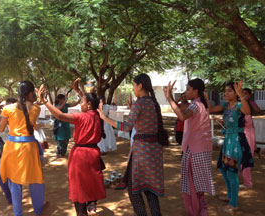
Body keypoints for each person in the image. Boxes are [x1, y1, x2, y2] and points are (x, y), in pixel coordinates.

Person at [98, 73, 169, 216]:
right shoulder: (153, 103)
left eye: (134, 85)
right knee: (150, 191)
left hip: (142, 152)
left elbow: (126, 127)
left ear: (140, 86)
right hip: (154, 151)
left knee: (134, 189)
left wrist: (104, 117)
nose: (133, 88)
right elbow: (144, 122)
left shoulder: (140, 103)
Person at [37, 78, 106, 216]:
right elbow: (91, 100)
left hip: (80, 155)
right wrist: (78, 90)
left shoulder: (81, 117)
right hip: (93, 154)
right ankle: (92, 206)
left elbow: (60, 115)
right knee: (91, 181)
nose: (80, 103)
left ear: (88, 105)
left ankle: (81, 212)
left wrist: (45, 101)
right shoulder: (98, 116)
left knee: (79, 186)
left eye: (82, 102)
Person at [0, 81, 48, 216]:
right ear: (31, 93)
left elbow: (0, 128)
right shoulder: (36, 109)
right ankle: (38, 210)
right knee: (35, 179)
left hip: (13, 148)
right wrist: (39, 97)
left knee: (14, 182)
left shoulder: (8, 109)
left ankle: (18, 213)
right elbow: (28, 112)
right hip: (30, 148)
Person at [163, 78, 215, 216]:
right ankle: (201, 209)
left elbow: (181, 116)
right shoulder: (201, 105)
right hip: (202, 149)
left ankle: (195, 211)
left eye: (188, 89)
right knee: (198, 185)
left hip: (194, 150)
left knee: (192, 185)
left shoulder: (196, 105)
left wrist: (169, 98)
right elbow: (182, 111)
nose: (186, 92)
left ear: (195, 91)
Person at [205, 81, 254, 212]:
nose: (225, 93)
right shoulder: (226, 106)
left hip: (236, 142)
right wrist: (206, 98)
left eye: (229, 91)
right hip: (228, 141)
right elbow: (210, 109)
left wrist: (240, 95)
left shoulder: (239, 105)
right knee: (223, 169)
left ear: (236, 93)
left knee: (231, 172)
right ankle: (229, 195)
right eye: (225, 91)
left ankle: (234, 203)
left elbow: (248, 111)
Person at [240, 88, 261, 189]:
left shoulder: (250, 104)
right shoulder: (239, 105)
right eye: (242, 93)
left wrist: (250, 102)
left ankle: (248, 182)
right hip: (242, 132)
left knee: (245, 158)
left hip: (248, 132)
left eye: (246, 94)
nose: (243, 95)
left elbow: (258, 111)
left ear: (249, 95)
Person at [54, 93, 80, 157]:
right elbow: (60, 107)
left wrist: (79, 100)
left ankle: (63, 152)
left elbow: (74, 104)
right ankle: (59, 152)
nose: (64, 100)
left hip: (66, 123)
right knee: (61, 138)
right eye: (63, 99)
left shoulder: (65, 105)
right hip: (59, 124)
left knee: (67, 138)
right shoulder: (56, 106)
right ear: (60, 99)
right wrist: (65, 100)